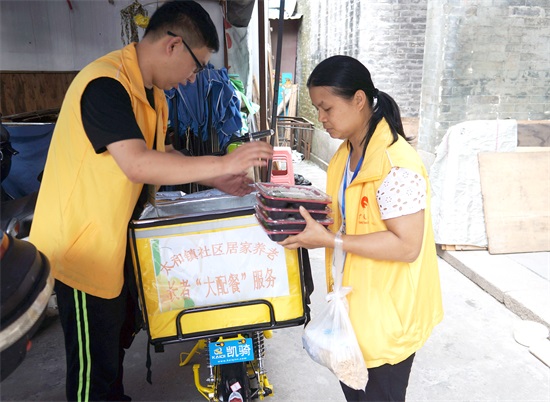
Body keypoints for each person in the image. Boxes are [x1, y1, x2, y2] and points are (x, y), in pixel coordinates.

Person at [29, 1, 273, 401]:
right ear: (173, 46)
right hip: (81, 251)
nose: (193, 81)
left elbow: (164, 158)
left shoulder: (152, 94)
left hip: (114, 244)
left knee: (112, 350)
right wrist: (225, 159)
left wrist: (218, 178)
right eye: (196, 68)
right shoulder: (105, 84)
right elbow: (138, 164)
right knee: (92, 370)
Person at [279, 55, 443, 401]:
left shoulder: (396, 166)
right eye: (317, 109)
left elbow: (406, 246)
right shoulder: (344, 154)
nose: (320, 118)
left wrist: (331, 238)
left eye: (327, 108)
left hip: (387, 319)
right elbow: (348, 218)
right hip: (354, 311)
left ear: (358, 100)